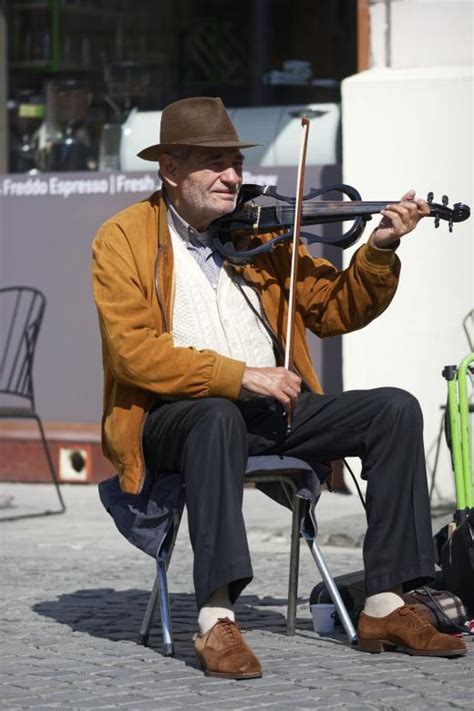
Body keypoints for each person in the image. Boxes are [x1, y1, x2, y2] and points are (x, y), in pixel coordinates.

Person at [92, 96, 467, 679]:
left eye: (236, 162)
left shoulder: (259, 235)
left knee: (394, 409)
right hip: (172, 419)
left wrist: (381, 247)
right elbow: (134, 352)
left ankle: (386, 603)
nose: (232, 176)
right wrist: (239, 375)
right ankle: (216, 618)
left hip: (269, 410)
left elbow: (337, 309)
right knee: (215, 414)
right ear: (170, 169)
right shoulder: (122, 239)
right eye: (214, 162)